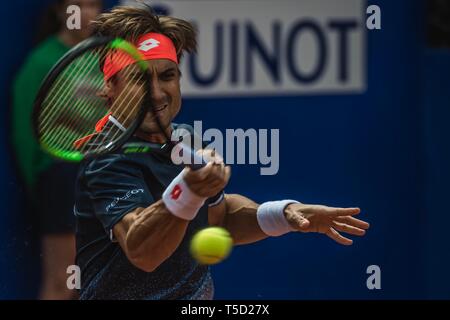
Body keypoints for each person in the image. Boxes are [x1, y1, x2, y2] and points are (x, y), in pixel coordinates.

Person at [74, 5, 370, 300]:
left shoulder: (186, 138)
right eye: (139, 79)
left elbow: (218, 217)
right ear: (111, 86)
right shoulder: (104, 158)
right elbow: (143, 251)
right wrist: (189, 190)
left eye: (167, 76)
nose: (156, 92)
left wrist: (284, 213)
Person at [11, 0, 102, 299]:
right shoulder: (41, 61)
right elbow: (27, 135)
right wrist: (46, 180)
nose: (87, 14)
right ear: (60, 11)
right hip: (62, 177)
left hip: (107, 174)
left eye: (94, 5)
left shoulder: (107, 58)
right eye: (79, 5)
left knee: (103, 280)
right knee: (64, 282)